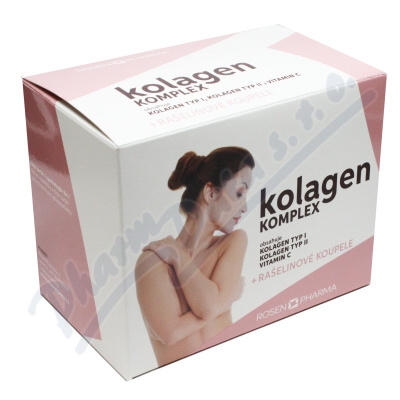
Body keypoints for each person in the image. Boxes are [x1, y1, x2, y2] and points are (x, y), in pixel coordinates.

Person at [135, 146, 254, 366]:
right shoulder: (151, 261)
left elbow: (208, 306)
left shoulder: (233, 242)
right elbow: (170, 334)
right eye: (239, 193)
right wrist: (226, 299)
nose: (245, 206)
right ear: (210, 193)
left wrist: (179, 257)